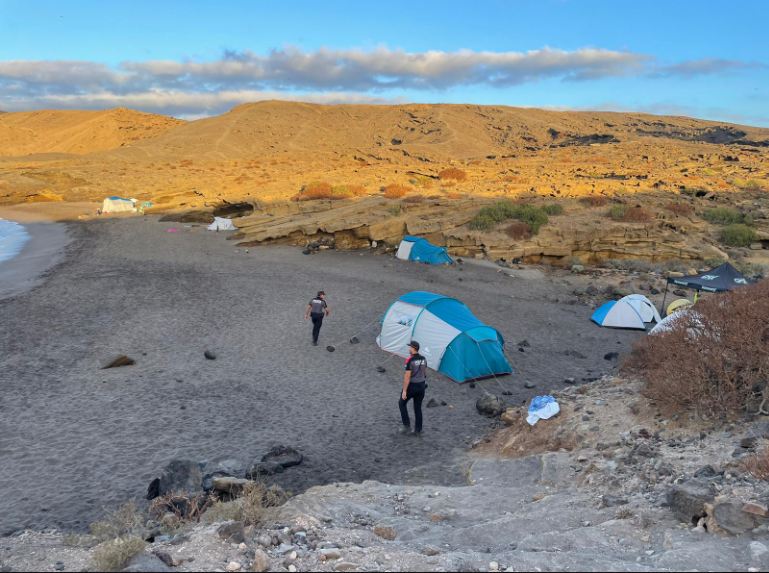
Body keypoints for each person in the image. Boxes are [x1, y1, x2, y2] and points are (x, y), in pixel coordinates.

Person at [399, 340, 427, 436]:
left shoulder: (410, 360)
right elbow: (424, 372)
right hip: (421, 386)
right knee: (417, 408)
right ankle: (418, 430)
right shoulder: (423, 359)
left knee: (402, 403)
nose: (409, 349)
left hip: (412, 386)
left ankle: (406, 426)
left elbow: (407, 377)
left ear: (414, 348)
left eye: (410, 347)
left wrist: (404, 391)